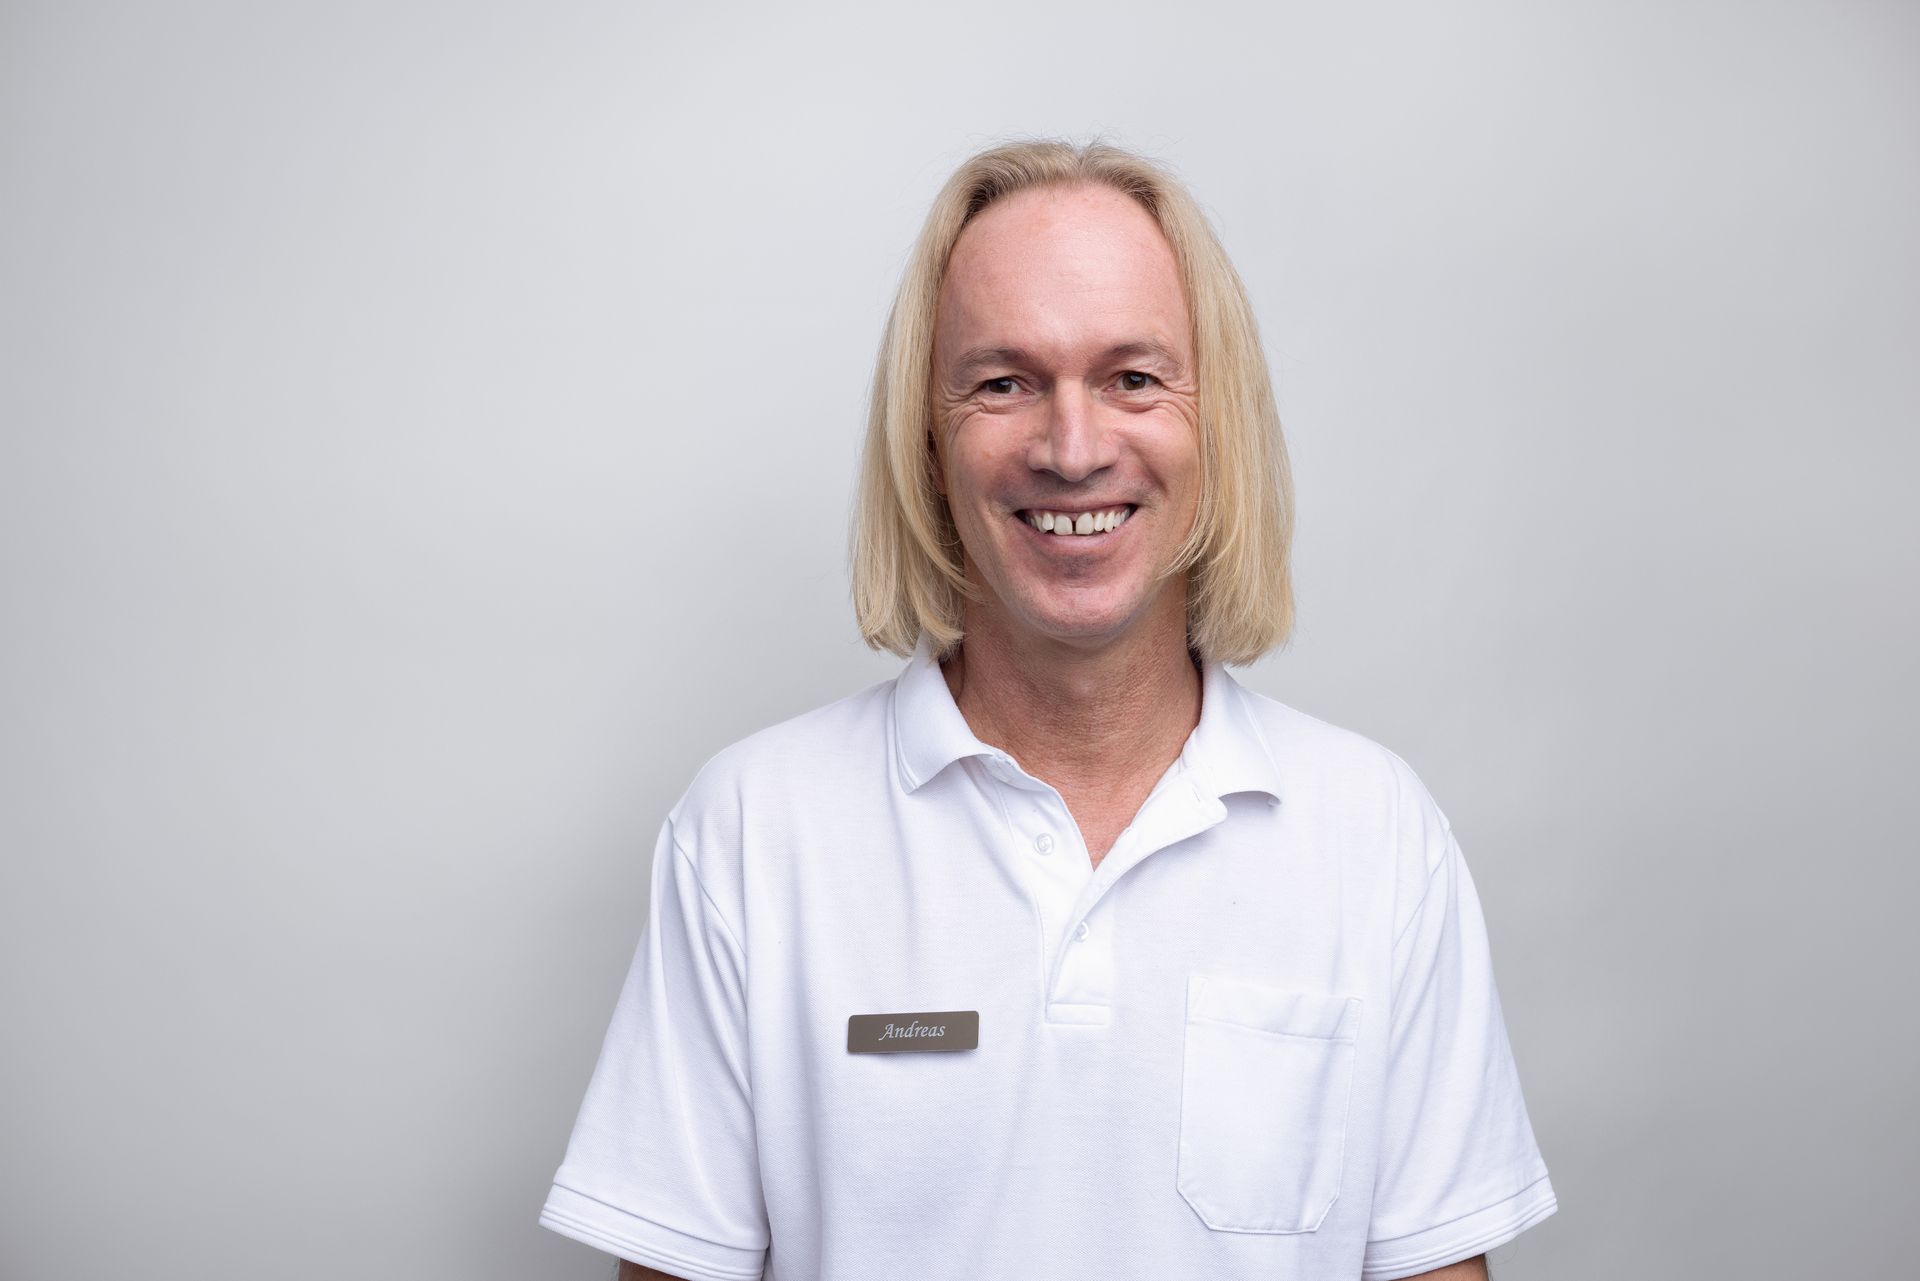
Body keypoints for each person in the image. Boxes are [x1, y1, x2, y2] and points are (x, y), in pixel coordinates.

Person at [536, 138, 1558, 1281]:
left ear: (1216, 424)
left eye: (1133, 378)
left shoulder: (1377, 838)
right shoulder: (751, 834)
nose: (1072, 450)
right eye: (1003, 383)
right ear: (928, 444)